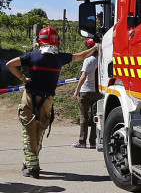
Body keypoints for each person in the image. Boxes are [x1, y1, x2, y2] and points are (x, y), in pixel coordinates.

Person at [5, 26, 97, 178]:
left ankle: (32, 166)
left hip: (29, 98)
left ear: (40, 41)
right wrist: (95, 47)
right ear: (56, 42)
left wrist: (23, 78)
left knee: (28, 130)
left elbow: (10, 64)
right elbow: (81, 56)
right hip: (47, 100)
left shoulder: (32, 56)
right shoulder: (60, 58)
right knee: (40, 130)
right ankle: (29, 161)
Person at [72, 38, 101, 150]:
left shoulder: (88, 60)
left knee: (84, 117)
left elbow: (83, 76)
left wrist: (76, 90)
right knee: (95, 118)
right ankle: (93, 142)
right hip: (97, 92)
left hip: (85, 92)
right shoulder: (101, 60)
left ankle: (82, 141)